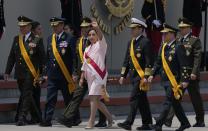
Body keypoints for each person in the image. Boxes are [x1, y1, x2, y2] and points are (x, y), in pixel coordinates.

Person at [57, 17, 107, 128]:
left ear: (90, 28)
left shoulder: (96, 40)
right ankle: (67, 118)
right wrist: (75, 72)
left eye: (86, 28)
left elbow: (102, 58)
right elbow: (76, 59)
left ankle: (103, 119)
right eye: (82, 28)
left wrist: (101, 73)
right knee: (77, 95)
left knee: (98, 98)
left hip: (95, 75)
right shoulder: (79, 41)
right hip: (83, 74)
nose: (84, 30)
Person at [4, 16, 46, 126]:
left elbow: (42, 58)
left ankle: (22, 117)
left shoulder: (37, 39)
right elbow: (12, 57)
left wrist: (43, 74)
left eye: (24, 26)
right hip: (19, 72)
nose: (21, 28)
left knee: (27, 93)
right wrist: (7, 71)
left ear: (29, 26)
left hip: (31, 73)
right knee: (25, 94)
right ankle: (37, 116)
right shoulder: (16, 39)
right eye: (20, 26)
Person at [148, 24, 191, 131]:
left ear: (172, 34)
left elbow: (184, 64)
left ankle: (158, 124)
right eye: (163, 34)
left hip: (174, 81)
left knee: (167, 101)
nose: (163, 35)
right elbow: (158, 63)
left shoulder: (179, 46)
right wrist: (151, 74)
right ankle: (185, 123)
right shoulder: (163, 47)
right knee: (175, 103)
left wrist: (185, 80)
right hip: (165, 80)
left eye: (166, 33)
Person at [39, 17, 77, 127]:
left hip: (65, 75)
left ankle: (72, 118)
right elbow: (48, 58)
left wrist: (74, 72)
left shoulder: (70, 38)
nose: (54, 28)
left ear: (62, 25)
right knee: (50, 98)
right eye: (53, 26)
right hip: (52, 75)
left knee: (68, 99)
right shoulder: (50, 38)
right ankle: (47, 119)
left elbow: (75, 57)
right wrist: (45, 74)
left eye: (56, 26)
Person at [117, 18, 153, 131]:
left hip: (141, 77)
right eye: (131, 28)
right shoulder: (130, 42)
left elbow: (149, 61)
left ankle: (128, 122)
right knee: (142, 101)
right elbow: (126, 60)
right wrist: (123, 75)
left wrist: (146, 77)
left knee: (134, 98)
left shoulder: (145, 42)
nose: (131, 30)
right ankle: (147, 124)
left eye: (134, 28)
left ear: (140, 29)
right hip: (133, 77)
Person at [79, 20, 113, 129]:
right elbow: (85, 64)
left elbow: (101, 35)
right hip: (89, 76)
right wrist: (81, 77)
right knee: (97, 101)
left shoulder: (101, 45)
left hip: (99, 76)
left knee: (92, 97)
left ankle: (91, 121)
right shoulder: (87, 49)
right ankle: (110, 117)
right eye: (89, 35)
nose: (91, 36)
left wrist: (97, 28)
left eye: (93, 34)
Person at [177, 17, 205, 127]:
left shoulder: (195, 40)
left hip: (191, 75)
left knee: (195, 99)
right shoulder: (178, 40)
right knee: (176, 97)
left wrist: (194, 72)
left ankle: (200, 120)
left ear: (189, 28)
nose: (181, 30)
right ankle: (167, 119)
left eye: (183, 27)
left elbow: (197, 58)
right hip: (181, 75)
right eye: (180, 28)